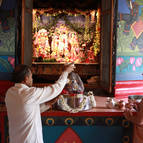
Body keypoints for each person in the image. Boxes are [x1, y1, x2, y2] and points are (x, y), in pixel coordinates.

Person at [5, 63, 75, 143]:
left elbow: (28, 111)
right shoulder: (29, 93)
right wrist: (65, 72)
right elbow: (55, 89)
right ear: (26, 78)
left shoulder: (10, 93)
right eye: (31, 77)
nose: (32, 79)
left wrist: (48, 104)